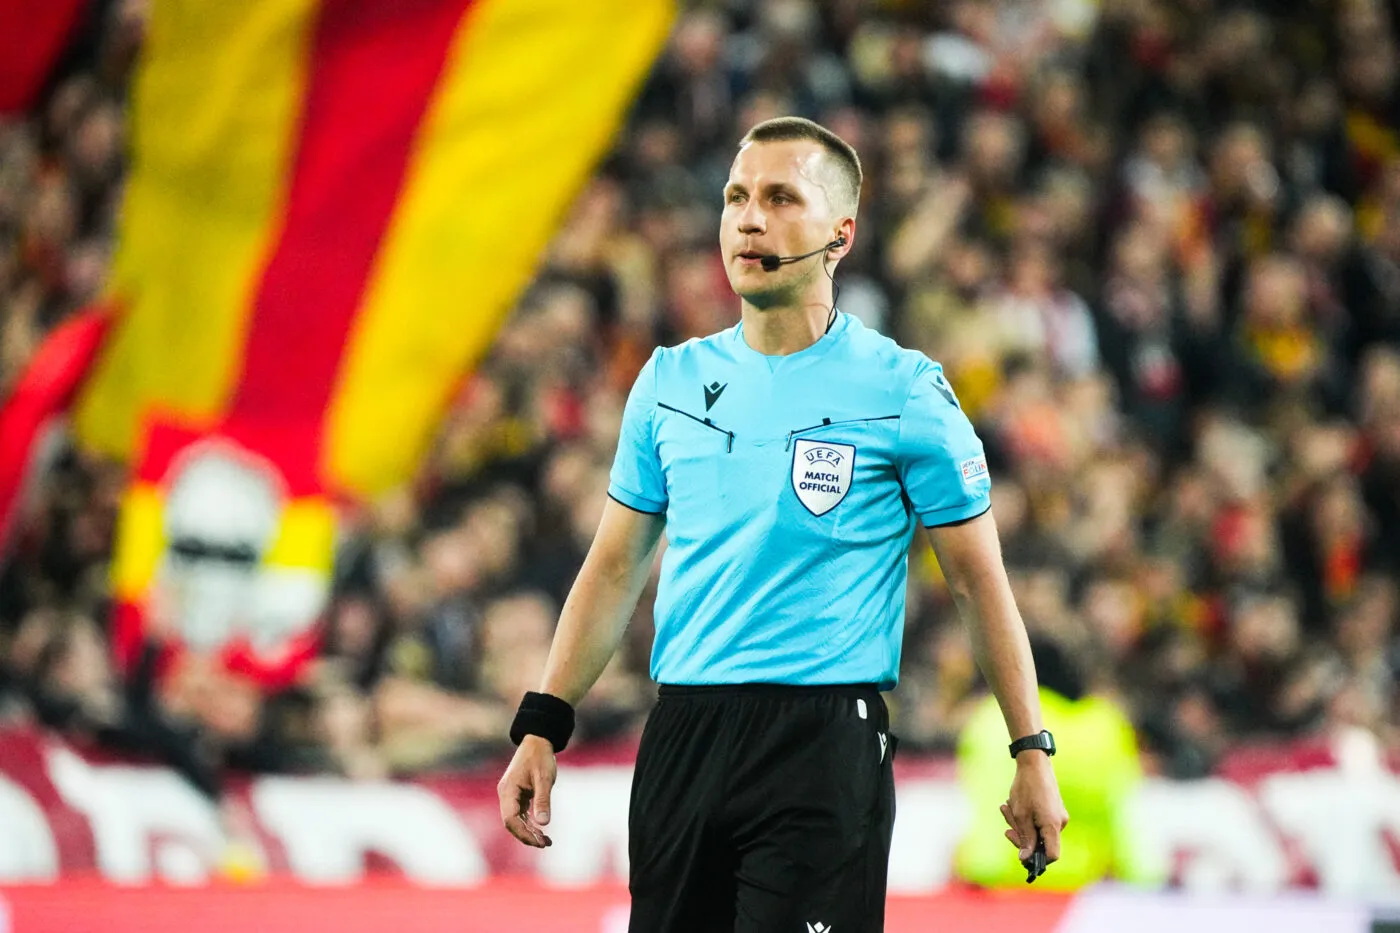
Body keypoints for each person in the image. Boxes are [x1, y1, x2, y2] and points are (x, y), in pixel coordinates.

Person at [497, 117, 1069, 932]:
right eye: (735, 198)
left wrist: (1030, 750)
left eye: (779, 198)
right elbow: (615, 568)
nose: (749, 219)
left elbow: (981, 587)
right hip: (683, 736)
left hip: (822, 742)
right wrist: (544, 720)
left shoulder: (905, 392)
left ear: (841, 234)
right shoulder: (668, 381)